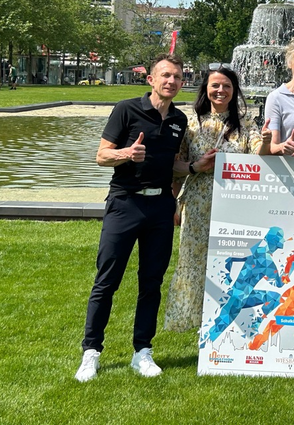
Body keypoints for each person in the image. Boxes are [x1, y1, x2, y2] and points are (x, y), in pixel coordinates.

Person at [75, 54, 214, 382]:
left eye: (178, 77)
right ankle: (91, 351)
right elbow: (100, 155)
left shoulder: (179, 120)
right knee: (106, 281)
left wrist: (195, 167)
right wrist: (126, 154)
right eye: (165, 75)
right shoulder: (126, 110)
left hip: (161, 209)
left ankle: (142, 351)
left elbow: (172, 165)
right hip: (125, 205)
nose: (172, 81)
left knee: (151, 282)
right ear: (151, 79)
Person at [164, 66, 271, 334]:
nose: (220, 90)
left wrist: (269, 143)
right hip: (198, 201)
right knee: (194, 258)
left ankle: (228, 320)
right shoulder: (191, 123)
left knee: (232, 260)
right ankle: (191, 319)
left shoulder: (245, 124)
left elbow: (259, 154)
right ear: (206, 90)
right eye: (215, 86)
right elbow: (175, 165)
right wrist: (180, 192)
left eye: (226, 86)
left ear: (234, 91)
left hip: (236, 202)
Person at [199, 226, 287, 347]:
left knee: (220, 324)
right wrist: (290, 268)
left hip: (239, 294)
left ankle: (256, 323)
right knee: (220, 326)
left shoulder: (254, 251)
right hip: (240, 298)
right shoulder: (268, 262)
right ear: (276, 243)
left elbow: (231, 258)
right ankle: (205, 346)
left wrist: (228, 276)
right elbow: (279, 283)